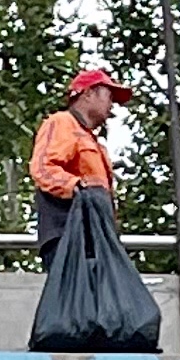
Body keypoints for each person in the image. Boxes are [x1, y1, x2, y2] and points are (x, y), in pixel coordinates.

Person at [27, 63, 121, 257]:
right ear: (88, 93)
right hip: (69, 236)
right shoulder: (61, 123)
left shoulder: (94, 143)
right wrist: (78, 188)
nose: (112, 104)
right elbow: (43, 168)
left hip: (94, 238)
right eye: (109, 96)